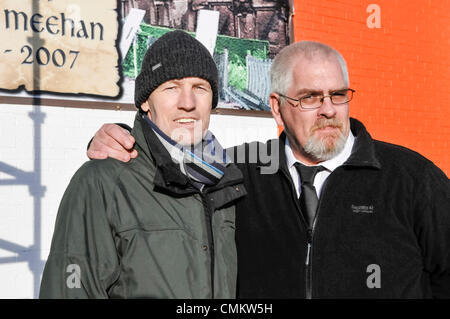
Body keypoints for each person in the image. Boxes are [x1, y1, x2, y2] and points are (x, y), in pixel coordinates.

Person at [86, 40, 450, 298]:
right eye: (309, 97)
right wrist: (119, 140)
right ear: (277, 108)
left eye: (338, 95)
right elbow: (167, 172)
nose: (328, 109)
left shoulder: (412, 180)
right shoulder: (235, 172)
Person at [39, 30, 246, 299]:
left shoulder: (228, 183)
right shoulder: (102, 182)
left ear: (212, 102)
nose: (188, 103)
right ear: (146, 101)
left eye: (200, 88)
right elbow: (69, 290)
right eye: (171, 87)